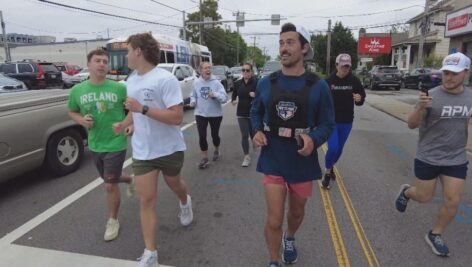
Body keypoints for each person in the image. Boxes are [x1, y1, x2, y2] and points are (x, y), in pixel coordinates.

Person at [251, 23, 335, 267]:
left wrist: (313, 139)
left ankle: (290, 237)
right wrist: (256, 131)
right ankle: (274, 260)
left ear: (304, 48)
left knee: (296, 212)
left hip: (301, 160)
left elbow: (328, 125)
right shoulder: (267, 82)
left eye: (290, 42)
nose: (284, 48)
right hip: (273, 157)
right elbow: (256, 113)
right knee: (274, 219)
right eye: (281, 43)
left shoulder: (318, 86)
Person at [112, 33, 193, 267]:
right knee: (146, 200)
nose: (126, 55)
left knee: (175, 184)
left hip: (169, 148)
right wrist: (125, 124)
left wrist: (143, 109)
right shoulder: (132, 80)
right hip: (143, 151)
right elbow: (133, 111)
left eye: (128, 50)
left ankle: (185, 200)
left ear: (139, 51)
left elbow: (176, 117)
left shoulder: (165, 79)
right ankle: (151, 253)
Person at [394, 52, 472, 257]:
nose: (449, 78)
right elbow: (411, 124)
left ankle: (435, 233)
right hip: (428, 156)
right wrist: (421, 107)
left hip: (456, 157)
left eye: (454, 74)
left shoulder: (470, 96)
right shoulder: (431, 95)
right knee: (424, 196)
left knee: (453, 200)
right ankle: (406, 192)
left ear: (466, 73)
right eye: (446, 73)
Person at [68, 49, 134, 242]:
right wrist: (82, 120)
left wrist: (127, 124)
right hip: (95, 143)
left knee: (109, 185)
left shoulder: (120, 88)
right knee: (109, 178)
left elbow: (133, 110)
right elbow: (72, 111)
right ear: (88, 64)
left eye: (105, 61)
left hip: (116, 142)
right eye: (97, 61)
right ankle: (130, 180)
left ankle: (113, 220)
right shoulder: (77, 91)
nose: (102, 64)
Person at [321, 53, 366, 189]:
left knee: (339, 150)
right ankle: (328, 173)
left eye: (347, 66)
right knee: (333, 147)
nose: (345, 69)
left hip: (347, 121)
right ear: (336, 65)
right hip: (331, 122)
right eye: (343, 66)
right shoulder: (328, 81)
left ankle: (331, 166)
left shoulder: (354, 81)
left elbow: (361, 97)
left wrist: (359, 99)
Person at [189, 62, 229, 169]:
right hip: (200, 113)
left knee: (214, 136)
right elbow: (193, 95)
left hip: (215, 114)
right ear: (200, 70)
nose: (208, 70)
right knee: (202, 136)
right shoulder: (196, 83)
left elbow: (225, 98)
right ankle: (205, 158)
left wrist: (214, 94)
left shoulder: (216, 83)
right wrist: (193, 101)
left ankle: (216, 149)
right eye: (205, 68)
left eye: (209, 68)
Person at [231, 62, 258, 167]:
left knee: (253, 134)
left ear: (251, 71)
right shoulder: (238, 83)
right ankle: (246, 156)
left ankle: (254, 141)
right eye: (243, 70)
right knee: (244, 135)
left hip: (253, 113)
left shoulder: (257, 83)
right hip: (241, 113)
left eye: (247, 70)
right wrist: (233, 101)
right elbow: (233, 96)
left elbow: (262, 97)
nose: (245, 72)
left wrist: (256, 95)